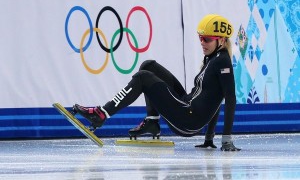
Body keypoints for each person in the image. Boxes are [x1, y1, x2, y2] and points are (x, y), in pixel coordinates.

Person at [73, 14, 240, 151]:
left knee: (143, 76)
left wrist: (225, 139)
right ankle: (152, 121)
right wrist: (208, 138)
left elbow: (229, 98)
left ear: (222, 41)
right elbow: (213, 97)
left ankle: (102, 114)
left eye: (207, 39)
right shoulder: (212, 58)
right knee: (148, 66)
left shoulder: (222, 61)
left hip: (188, 118)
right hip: (187, 106)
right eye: (200, 38)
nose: (202, 42)